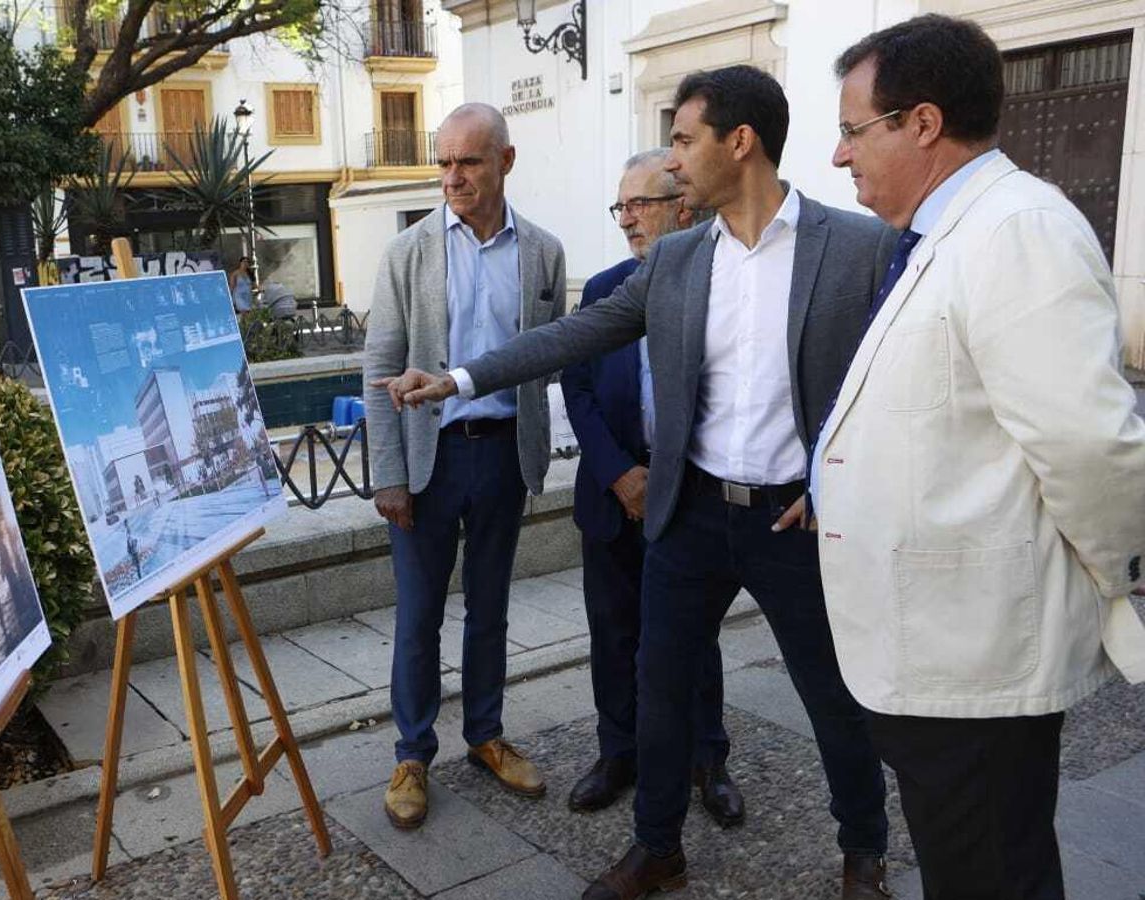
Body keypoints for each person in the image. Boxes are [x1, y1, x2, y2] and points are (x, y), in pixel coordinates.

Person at [372, 67, 894, 899]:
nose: (675, 160)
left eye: (685, 140)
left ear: (741, 142)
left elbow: (894, 382)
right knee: (658, 682)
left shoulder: (857, 248)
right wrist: (463, 379)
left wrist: (844, 482)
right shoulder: (681, 259)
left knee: (830, 690)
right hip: (690, 513)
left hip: (791, 518)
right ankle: (659, 848)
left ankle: (863, 849)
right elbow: (575, 335)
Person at [820, 16, 1145, 898]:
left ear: (921, 123)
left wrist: (1116, 579)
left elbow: (1091, 444)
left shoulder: (1017, 230)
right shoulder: (946, 233)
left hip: (976, 654)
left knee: (992, 876)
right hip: (938, 646)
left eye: (853, 131)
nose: (841, 156)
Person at [362, 102, 566, 831]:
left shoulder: (543, 252)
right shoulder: (407, 252)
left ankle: (484, 734)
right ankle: (413, 753)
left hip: (504, 456)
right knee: (418, 617)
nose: (452, 176)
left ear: (505, 162)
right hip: (430, 459)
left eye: (468, 161)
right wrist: (388, 473)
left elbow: (547, 357)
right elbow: (380, 368)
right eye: (443, 161)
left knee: (491, 609)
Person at [563, 149, 741, 829]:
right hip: (610, 493)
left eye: (640, 205)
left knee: (693, 637)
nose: (626, 219)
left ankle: (708, 759)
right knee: (613, 632)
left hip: (688, 495)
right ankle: (620, 754)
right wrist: (616, 472)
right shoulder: (603, 288)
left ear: (682, 208)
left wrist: (663, 476)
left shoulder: (715, 281)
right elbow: (575, 388)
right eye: (621, 206)